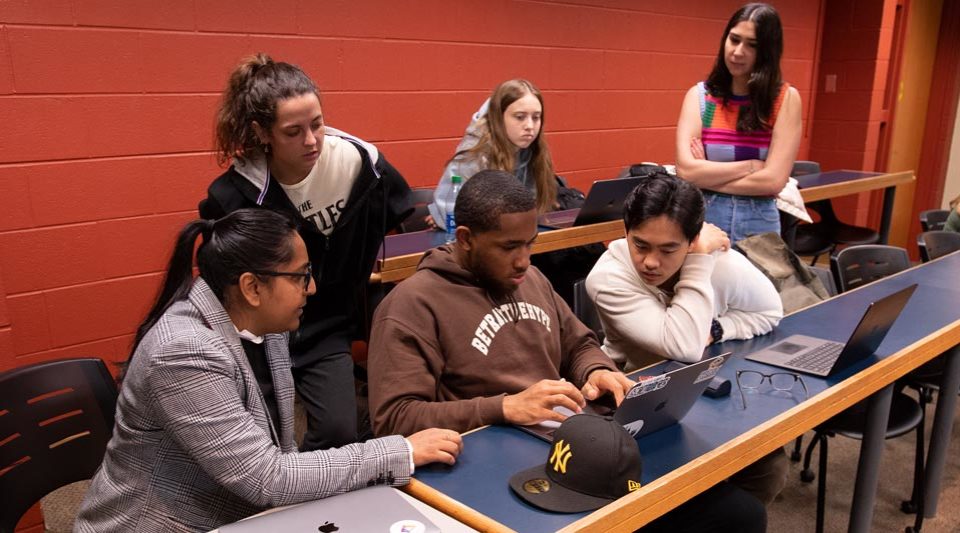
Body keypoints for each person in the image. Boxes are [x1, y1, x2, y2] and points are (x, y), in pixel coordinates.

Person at [369, 171, 766, 532]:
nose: (524, 260)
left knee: (740, 514)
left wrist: (595, 370)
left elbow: (579, 344)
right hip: (497, 465)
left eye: (530, 244)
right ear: (466, 239)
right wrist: (504, 407)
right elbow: (394, 420)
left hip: (571, 442)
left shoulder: (531, 279)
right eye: (509, 247)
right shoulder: (412, 306)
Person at [75, 209, 461, 533]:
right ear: (252, 288)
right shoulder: (184, 352)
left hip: (237, 513)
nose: (311, 289)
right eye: (301, 275)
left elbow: (280, 453)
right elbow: (266, 476)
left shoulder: (264, 325)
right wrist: (400, 451)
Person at [200, 53, 412, 450]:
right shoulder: (235, 195)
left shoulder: (359, 162)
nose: (312, 140)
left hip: (326, 324)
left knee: (338, 433)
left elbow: (399, 213)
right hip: (258, 332)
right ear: (263, 133)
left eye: (317, 124)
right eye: (293, 131)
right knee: (257, 445)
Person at [586, 174, 784, 371]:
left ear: (693, 241)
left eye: (668, 250)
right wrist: (698, 262)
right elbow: (684, 348)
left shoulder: (723, 264)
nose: (651, 262)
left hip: (700, 378)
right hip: (629, 378)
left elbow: (770, 312)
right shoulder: (608, 278)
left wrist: (719, 329)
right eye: (640, 245)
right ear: (626, 232)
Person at [675, 2, 802, 243]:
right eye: (734, 39)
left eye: (751, 45)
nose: (738, 51)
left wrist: (708, 176)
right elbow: (686, 171)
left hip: (759, 224)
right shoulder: (700, 96)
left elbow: (773, 181)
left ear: (767, 52)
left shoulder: (785, 99)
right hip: (704, 220)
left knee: (754, 282)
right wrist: (753, 166)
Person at [427, 78, 556, 230]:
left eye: (536, 117)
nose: (530, 126)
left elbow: (532, 208)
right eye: (520, 117)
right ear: (498, 118)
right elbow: (452, 214)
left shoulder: (533, 151)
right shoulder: (474, 155)